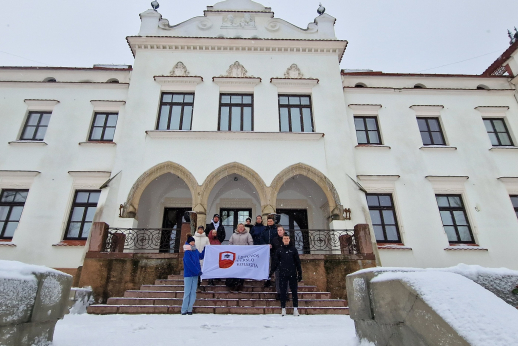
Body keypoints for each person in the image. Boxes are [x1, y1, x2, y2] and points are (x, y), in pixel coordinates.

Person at [270, 231, 302, 317]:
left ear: (289, 239)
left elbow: (297, 262)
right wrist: (271, 272)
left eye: (287, 238)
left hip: (292, 273)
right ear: (283, 240)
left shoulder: (293, 249)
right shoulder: (279, 250)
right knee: (283, 291)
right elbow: (275, 262)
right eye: (284, 238)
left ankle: (295, 309)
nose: (286, 240)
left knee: (294, 291)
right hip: (282, 274)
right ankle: (283, 308)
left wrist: (300, 273)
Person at [181, 234, 205, 315]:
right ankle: (184, 310)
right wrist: (196, 271)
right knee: (187, 292)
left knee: (193, 292)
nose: (193, 243)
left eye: (193, 241)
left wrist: (205, 249)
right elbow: (189, 263)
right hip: (189, 274)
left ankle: (190, 309)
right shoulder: (187, 252)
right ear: (188, 242)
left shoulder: (195, 250)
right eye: (191, 241)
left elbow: (200, 256)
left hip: (195, 274)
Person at [226, 223, 253, 291]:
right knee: (235, 269)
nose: (240, 228)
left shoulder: (248, 235)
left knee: (241, 270)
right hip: (235, 255)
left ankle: (240, 284)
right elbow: (230, 243)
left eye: (242, 227)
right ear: (237, 228)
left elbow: (251, 243)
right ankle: (233, 284)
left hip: (243, 256)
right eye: (239, 227)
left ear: (244, 228)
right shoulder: (233, 235)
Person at [261, 215, 278, 288]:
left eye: (271, 221)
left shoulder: (275, 229)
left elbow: (277, 238)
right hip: (266, 249)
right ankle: (267, 280)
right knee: (267, 265)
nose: (269, 222)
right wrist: (266, 244)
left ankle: (274, 279)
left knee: (274, 264)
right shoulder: (265, 230)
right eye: (268, 221)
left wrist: (273, 244)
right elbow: (261, 238)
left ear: (273, 222)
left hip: (274, 249)